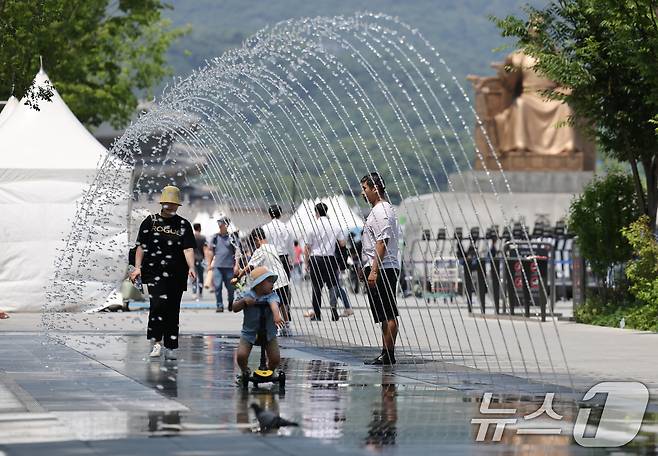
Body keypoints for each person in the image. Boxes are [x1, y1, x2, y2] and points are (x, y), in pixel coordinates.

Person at [129, 185, 196, 360]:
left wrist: (192, 267)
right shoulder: (150, 221)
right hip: (154, 272)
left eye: (174, 204)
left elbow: (188, 249)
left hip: (177, 273)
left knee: (173, 309)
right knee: (158, 306)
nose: (170, 206)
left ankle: (171, 346)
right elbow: (140, 247)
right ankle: (157, 343)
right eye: (168, 203)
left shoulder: (183, 224)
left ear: (177, 205)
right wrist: (137, 268)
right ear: (162, 203)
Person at [360, 172, 400, 365]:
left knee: (389, 312)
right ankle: (385, 352)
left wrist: (374, 270)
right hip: (379, 266)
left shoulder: (382, 211)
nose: (362, 193)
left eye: (365, 188)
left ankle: (389, 354)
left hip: (384, 268)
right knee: (383, 313)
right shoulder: (379, 209)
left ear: (375, 189)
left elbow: (382, 242)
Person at [233, 228, 292, 336]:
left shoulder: (260, 250)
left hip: (275, 280)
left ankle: (277, 327)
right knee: (283, 303)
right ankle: (287, 327)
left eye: (254, 243)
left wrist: (239, 277)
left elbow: (250, 267)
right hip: (283, 278)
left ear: (257, 239)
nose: (255, 246)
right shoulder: (272, 247)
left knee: (275, 303)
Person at [233, 266, 284, 382]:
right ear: (259, 284)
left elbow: (274, 304)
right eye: (269, 281)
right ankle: (245, 370)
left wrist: (276, 316)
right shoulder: (247, 294)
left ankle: (270, 370)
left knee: (275, 358)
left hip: (269, 333)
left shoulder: (272, 295)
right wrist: (243, 302)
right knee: (241, 356)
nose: (272, 284)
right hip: (249, 333)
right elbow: (234, 308)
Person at [304, 202, 346, 321]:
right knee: (332, 285)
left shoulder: (312, 226)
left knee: (316, 287)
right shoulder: (335, 225)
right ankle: (333, 309)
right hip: (330, 258)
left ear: (316, 212)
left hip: (316, 259)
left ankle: (317, 315)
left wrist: (306, 262)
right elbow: (343, 243)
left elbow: (307, 247)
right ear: (326, 211)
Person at [261, 204, 293, 322]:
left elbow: (263, 245)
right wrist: (292, 259)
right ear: (281, 213)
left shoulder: (265, 228)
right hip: (283, 258)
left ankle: (274, 314)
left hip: (270, 258)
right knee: (284, 287)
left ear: (269, 214)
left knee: (270, 287)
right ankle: (286, 313)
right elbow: (290, 246)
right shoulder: (286, 227)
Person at [206, 216, 239, 312]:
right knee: (217, 286)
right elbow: (211, 251)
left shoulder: (232, 237)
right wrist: (209, 264)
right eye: (219, 224)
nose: (220, 226)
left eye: (222, 224)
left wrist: (237, 265)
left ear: (227, 225)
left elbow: (237, 251)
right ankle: (219, 305)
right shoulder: (215, 237)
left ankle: (230, 302)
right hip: (217, 266)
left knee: (231, 288)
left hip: (229, 267)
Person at [192, 223, 207, 300]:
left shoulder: (191, 237)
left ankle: (194, 292)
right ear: (200, 228)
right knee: (201, 276)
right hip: (200, 258)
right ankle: (200, 292)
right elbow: (205, 249)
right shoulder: (202, 238)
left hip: (192, 259)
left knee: (193, 276)